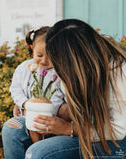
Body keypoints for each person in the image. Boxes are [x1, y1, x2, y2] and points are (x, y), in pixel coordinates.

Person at [23, 19, 126, 159]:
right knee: (13, 131)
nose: (55, 66)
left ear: (73, 58)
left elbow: (119, 130)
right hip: (85, 128)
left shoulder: (118, 70)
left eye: (58, 61)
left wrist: (67, 128)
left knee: (39, 153)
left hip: (116, 138)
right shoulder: (77, 67)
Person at [2, 26, 68, 159]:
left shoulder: (59, 72)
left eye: (51, 56)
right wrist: (24, 104)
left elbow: (58, 97)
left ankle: (39, 147)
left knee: (40, 144)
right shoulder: (23, 68)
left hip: (50, 116)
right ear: (32, 49)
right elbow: (15, 89)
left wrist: (47, 111)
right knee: (13, 128)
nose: (44, 61)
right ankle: (37, 146)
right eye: (39, 55)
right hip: (28, 113)